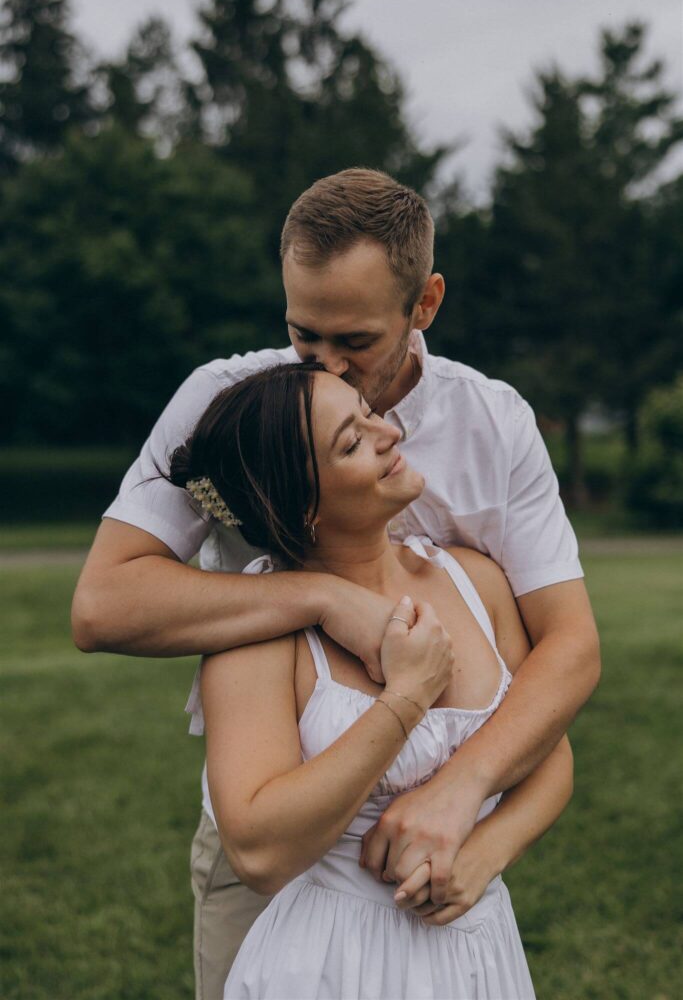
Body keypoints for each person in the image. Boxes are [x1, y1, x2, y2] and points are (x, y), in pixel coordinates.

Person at [71, 169, 599, 1000]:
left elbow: (567, 650)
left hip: (447, 859)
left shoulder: (493, 424)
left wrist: (467, 811)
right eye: (301, 333)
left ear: (423, 304)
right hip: (278, 854)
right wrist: (321, 599)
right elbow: (103, 605)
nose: (325, 365)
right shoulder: (232, 408)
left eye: (351, 340)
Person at [171, 361, 572, 999]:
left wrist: (485, 854)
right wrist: (405, 700)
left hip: (477, 946)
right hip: (333, 962)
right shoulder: (259, 633)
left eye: (365, 411)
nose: (387, 432)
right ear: (303, 509)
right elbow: (256, 849)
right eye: (352, 442)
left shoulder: (477, 582)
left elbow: (549, 755)